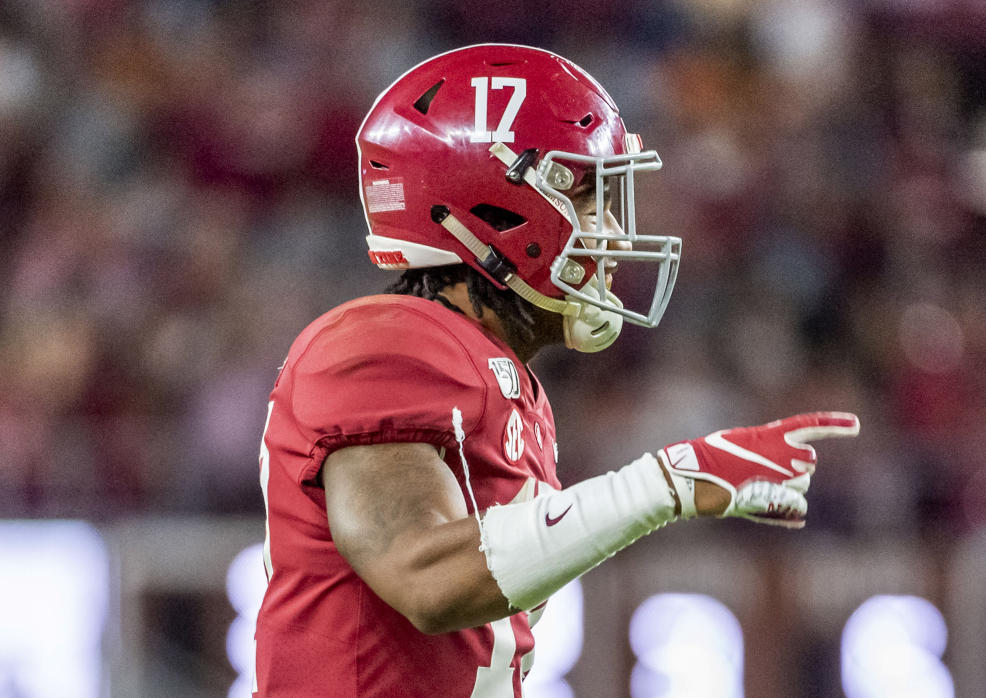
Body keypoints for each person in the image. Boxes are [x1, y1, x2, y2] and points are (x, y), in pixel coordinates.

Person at [252, 44, 859, 697]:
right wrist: (661, 485)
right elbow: (424, 577)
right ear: (491, 206)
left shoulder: (491, 370)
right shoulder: (383, 344)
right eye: (588, 198)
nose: (615, 237)